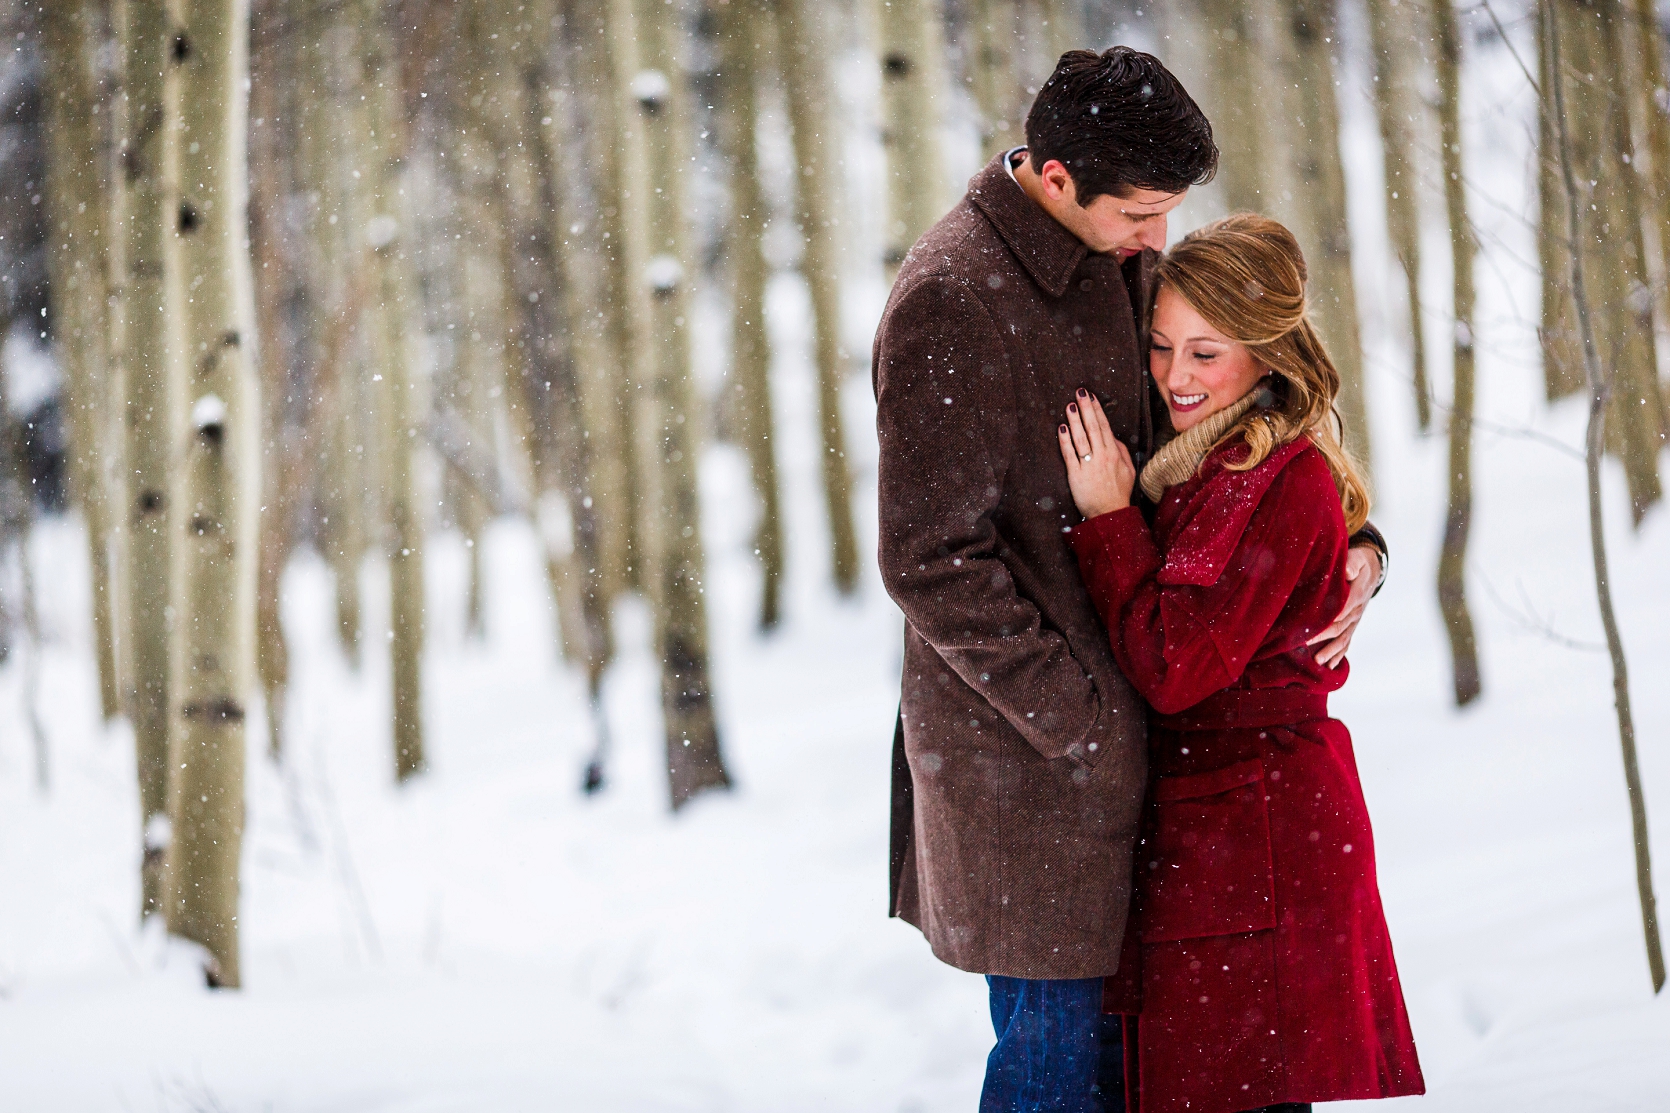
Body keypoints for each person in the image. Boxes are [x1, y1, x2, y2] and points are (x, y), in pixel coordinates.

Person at [873, 47, 1389, 1111]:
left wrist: (1353, 536)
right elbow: (930, 560)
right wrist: (1082, 722)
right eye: (1140, 213)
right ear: (1055, 178)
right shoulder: (951, 299)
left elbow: (1239, 412)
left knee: (1138, 1080)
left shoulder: (1119, 260)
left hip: (1160, 754)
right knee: (1053, 1075)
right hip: (1029, 779)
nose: (1158, 240)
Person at [1056, 214, 1424, 1113]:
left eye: (1205, 353)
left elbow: (1174, 665)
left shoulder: (1264, 475)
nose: (1176, 376)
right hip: (1224, 834)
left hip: (1257, 834)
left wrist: (1107, 521)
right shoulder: (1208, 455)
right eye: (1161, 346)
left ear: (1266, 354)